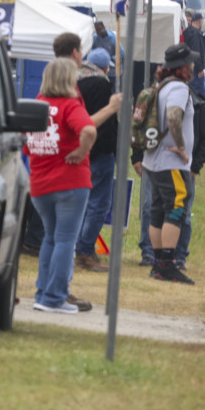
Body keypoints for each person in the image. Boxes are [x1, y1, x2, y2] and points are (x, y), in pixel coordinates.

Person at [23, 58, 104, 313]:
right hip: (70, 181)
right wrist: (82, 151)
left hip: (40, 183)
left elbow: (27, 144)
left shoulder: (38, 105)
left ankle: (43, 292)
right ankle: (54, 297)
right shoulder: (70, 105)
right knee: (66, 240)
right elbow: (89, 130)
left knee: (50, 238)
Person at [133, 83, 205, 272]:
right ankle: (150, 253)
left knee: (182, 213)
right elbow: (141, 130)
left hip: (183, 168)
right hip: (155, 165)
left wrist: (195, 166)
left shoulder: (199, 106)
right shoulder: (155, 103)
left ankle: (178, 256)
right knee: (151, 209)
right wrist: (137, 157)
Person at [142, 43, 200, 284]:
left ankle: (157, 263)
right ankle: (167, 264)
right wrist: (181, 147)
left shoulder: (161, 86)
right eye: (190, 63)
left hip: (152, 161)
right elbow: (174, 115)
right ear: (182, 68)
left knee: (157, 211)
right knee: (176, 209)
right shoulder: (179, 88)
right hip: (171, 162)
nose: (194, 66)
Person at [72, 47, 122, 272]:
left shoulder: (76, 82)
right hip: (100, 151)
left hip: (82, 151)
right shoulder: (102, 85)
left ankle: (79, 247)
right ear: (105, 67)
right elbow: (107, 123)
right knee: (99, 205)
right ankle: (85, 251)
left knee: (82, 203)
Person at [181, 11, 205, 101]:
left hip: (192, 69)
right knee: (198, 94)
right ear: (199, 21)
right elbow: (196, 53)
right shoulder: (195, 35)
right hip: (196, 71)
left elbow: (202, 45)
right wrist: (200, 69)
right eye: (202, 21)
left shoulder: (192, 33)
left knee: (195, 93)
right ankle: (198, 113)